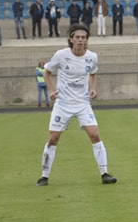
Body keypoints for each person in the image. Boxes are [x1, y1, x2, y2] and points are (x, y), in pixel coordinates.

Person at [35, 23, 117, 187]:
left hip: (82, 103)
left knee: (95, 135)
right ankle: (44, 176)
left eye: (83, 38)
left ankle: (105, 173)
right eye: (77, 37)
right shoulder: (61, 55)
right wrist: (51, 91)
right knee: (53, 139)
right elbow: (47, 72)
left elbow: (93, 73)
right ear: (71, 39)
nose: (80, 40)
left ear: (87, 40)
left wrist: (92, 89)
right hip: (63, 104)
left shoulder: (92, 57)